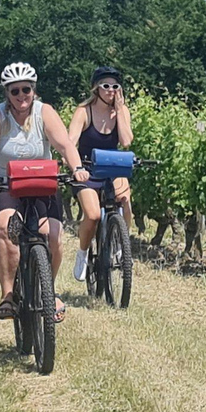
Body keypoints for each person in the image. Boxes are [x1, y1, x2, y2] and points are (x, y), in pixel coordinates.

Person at [0, 62, 89, 323]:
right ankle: (8, 294)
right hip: (1, 183)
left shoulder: (44, 113)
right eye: (15, 91)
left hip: (40, 181)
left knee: (53, 234)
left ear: (34, 90)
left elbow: (65, 144)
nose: (22, 96)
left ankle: (48, 291)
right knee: (7, 228)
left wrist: (76, 167)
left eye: (26, 90)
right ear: (6, 94)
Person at [67, 66, 133, 282]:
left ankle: (120, 245)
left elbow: (125, 141)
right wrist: (76, 169)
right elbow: (70, 143)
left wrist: (120, 111)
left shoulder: (121, 111)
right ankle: (83, 253)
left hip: (111, 168)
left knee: (125, 202)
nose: (111, 90)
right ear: (96, 88)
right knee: (93, 215)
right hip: (87, 170)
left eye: (116, 86)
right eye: (106, 86)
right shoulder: (83, 112)